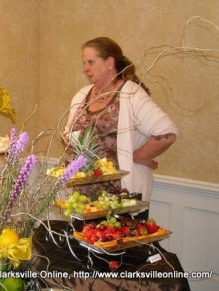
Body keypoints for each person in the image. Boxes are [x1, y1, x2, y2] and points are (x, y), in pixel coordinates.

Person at [63, 37, 178, 218]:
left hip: (121, 198)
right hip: (83, 200)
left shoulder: (131, 93)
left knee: (122, 245)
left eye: (91, 62)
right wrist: (68, 141)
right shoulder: (81, 95)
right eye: (84, 63)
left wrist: (137, 157)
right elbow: (69, 135)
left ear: (110, 62)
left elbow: (166, 133)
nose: (86, 68)